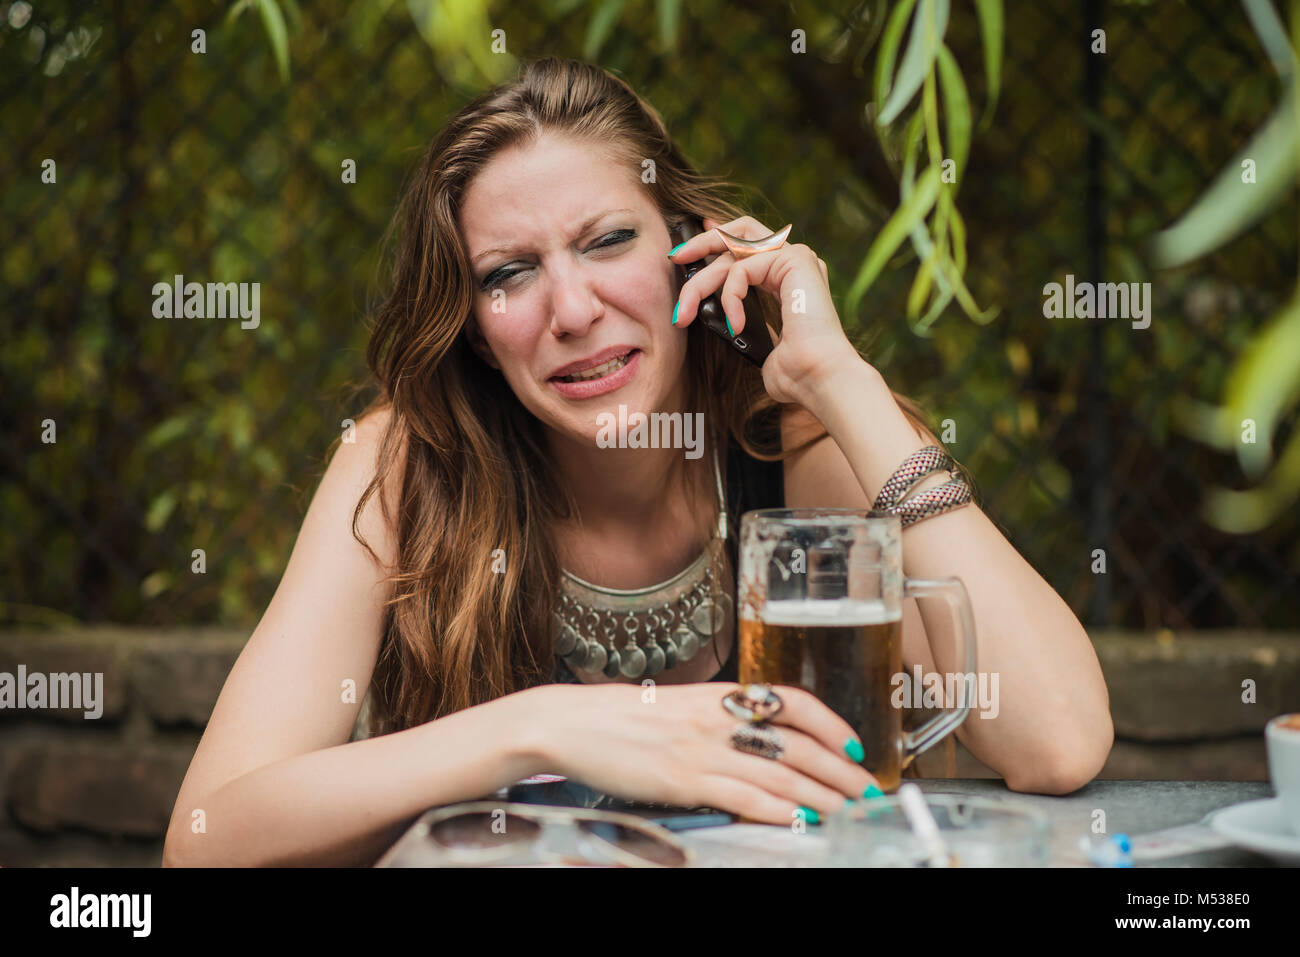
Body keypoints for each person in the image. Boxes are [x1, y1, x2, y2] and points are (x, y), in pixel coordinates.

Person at [163, 57, 1112, 867]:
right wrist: (542, 725)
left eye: (609, 240)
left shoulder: (792, 448)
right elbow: (205, 837)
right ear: (479, 335)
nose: (571, 310)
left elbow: (1059, 741)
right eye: (508, 273)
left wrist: (840, 377)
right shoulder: (413, 465)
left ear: (685, 251)